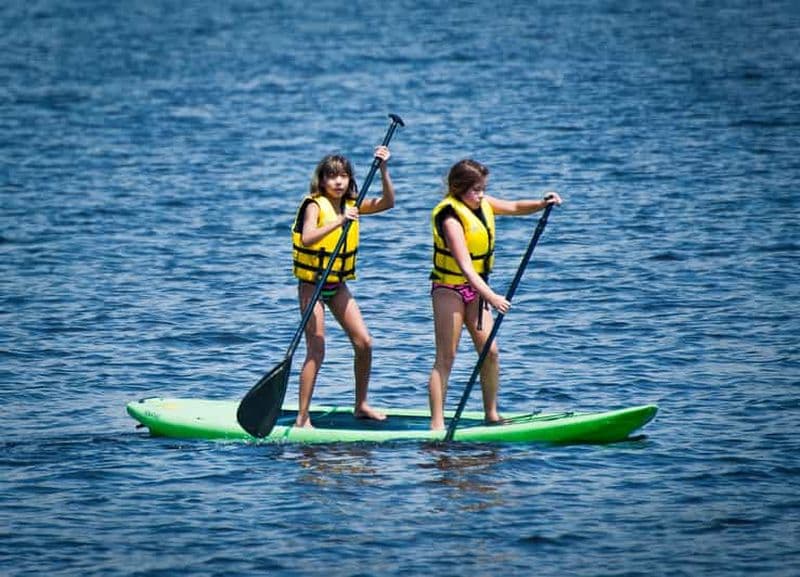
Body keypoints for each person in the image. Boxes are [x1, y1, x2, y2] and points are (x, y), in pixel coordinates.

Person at [427, 159, 562, 430]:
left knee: (491, 352)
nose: (480, 195)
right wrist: (492, 297)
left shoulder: (483, 204)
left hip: (477, 291)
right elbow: (465, 267)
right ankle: (437, 424)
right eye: (475, 190)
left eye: (483, 189)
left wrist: (541, 204)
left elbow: (513, 207)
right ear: (458, 188)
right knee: (446, 357)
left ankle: (491, 414)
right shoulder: (450, 217)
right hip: (448, 289)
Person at [291, 146, 395, 428]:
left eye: (344, 176)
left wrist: (384, 169)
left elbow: (388, 202)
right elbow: (309, 237)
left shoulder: (353, 203)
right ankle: (302, 418)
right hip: (312, 284)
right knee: (317, 348)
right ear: (322, 181)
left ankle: (361, 405)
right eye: (332, 177)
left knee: (364, 342)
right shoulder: (314, 204)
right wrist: (339, 221)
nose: (339, 182)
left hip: (337, 285)